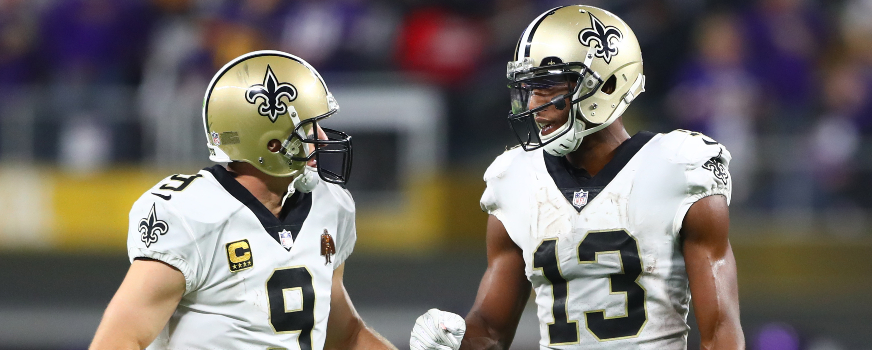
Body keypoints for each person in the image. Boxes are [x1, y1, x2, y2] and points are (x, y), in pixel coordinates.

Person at [410, 5, 744, 350]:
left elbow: (720, 331)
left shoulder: (677, 167)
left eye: (548, 86)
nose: (533, 104)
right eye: (529, 88)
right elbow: (491, 328)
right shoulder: (515, 179)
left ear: (608, 81)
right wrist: (455, 341)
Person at [90, 50, 396, 350]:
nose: (323, 138)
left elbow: (346, 337)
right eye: (308, 126)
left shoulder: (329, 204)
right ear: (272, 141)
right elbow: (118, 340)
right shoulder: (191, 214)